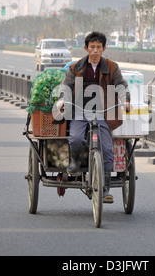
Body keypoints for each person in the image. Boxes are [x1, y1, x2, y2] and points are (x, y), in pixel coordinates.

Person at [56, 31, 131, 204]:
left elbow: (121, 85)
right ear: (86, 48)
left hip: (103, 112)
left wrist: (125, 100)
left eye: (99, 47)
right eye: (92, 47)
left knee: (107, 148)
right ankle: (75, 161)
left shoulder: (112, 67)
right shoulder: (75, 67)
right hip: (79, 110)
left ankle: (105, 190)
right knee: (75, 138)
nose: (95, 51)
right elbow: (66, 87)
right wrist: (63, 102)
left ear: (104, 49)